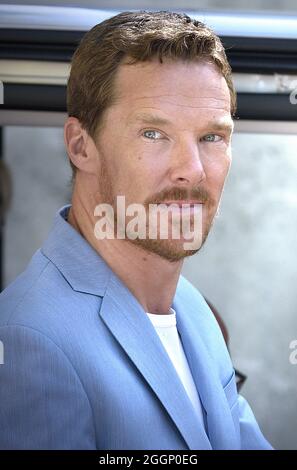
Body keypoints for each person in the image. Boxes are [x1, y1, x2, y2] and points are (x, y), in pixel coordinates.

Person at [0, 11, 272, 450]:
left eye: (212, 137)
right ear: (80, 146)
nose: (192, 171)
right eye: (152, 133)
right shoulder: (26, 339)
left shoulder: (191, 309)